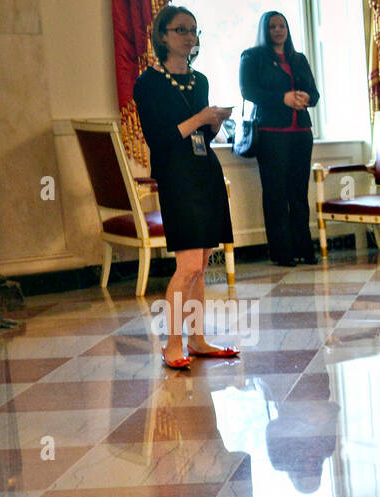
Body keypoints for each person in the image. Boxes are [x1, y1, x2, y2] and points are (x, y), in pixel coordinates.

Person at [133, 5, 240, 370]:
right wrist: (201, 117)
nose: (189, 36)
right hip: (176, 176)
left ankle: (197, 338)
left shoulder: (200, 80)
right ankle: (172, 343)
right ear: (162, 35)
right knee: (189, 263)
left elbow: (202, 137)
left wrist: (214, 123)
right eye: (181, 30)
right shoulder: (148, 83)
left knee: (203, 261)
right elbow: (160, 140)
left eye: (194, 30)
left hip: (204, 170)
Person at [239, 11, 319, 268]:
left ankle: (303, 248)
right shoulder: (252, 57)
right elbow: (248, 90)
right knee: (276, 194)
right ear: (265, 30)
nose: (277, 30)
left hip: (301, 134)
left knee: (299, 193)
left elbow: (315, 94)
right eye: (272, 26)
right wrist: (282, 98)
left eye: (281, 25)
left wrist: (306, 98)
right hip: (272, 134)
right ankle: (282, 252)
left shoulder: (299, 58)